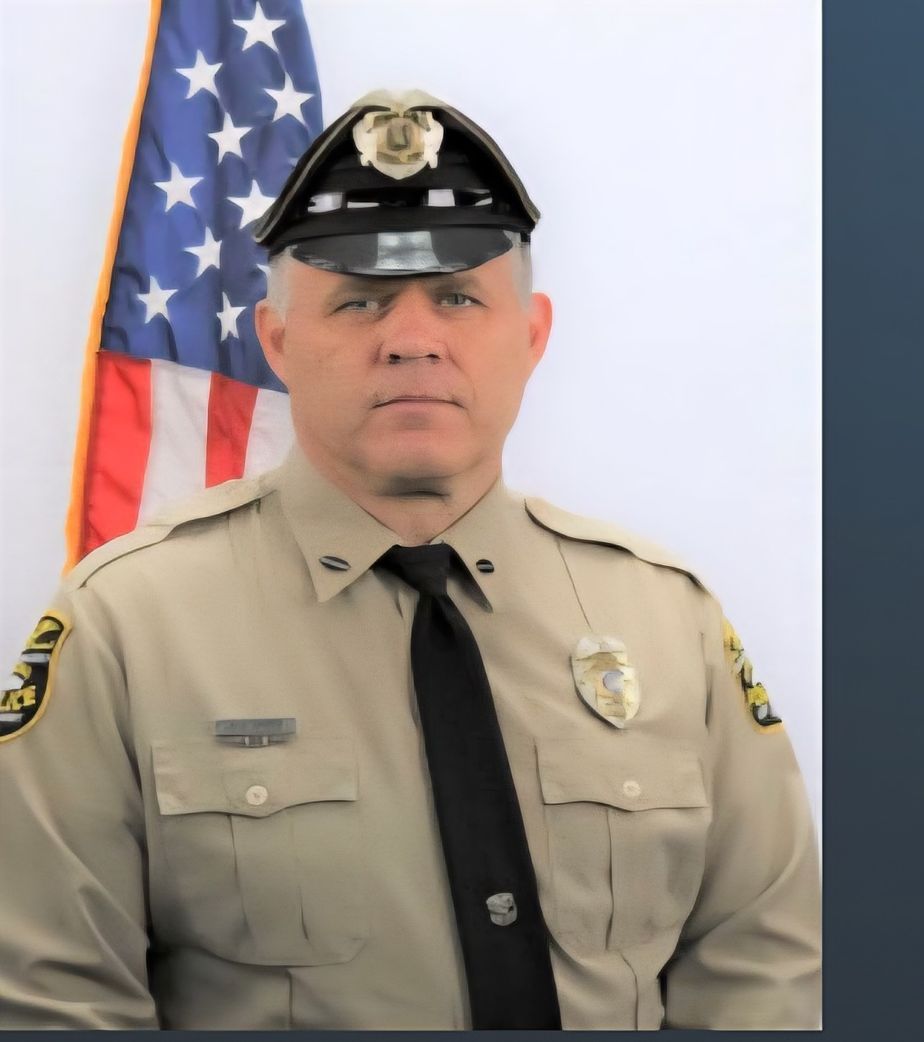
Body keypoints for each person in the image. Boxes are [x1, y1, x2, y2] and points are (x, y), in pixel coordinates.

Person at [0, 90, 820, 1029]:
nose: (413, 341)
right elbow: (53, 1000)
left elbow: (761, 969)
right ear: (277, 342)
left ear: (533, 335)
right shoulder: (128, 626)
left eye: (460, 298)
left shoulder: (666, 619)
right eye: (360, 302)